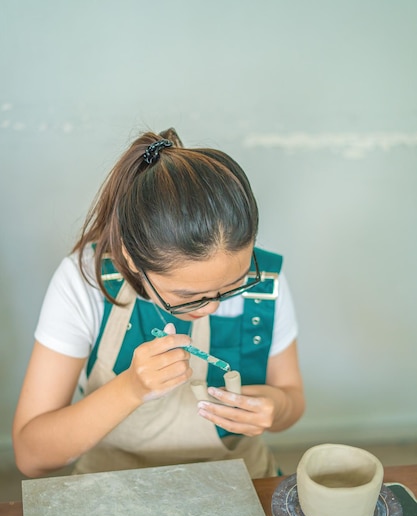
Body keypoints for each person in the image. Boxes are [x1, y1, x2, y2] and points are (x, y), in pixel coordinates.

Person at [13, 127, 305, 479]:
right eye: (186, 297)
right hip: (110, 487)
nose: (211, 306)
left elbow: (292, 401)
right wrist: (130, 388)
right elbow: (31, 456)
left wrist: (275, 407)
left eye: (232, 285)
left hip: (240, 477)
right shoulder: (84, 282)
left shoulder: (266, 282)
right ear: (132, 259)